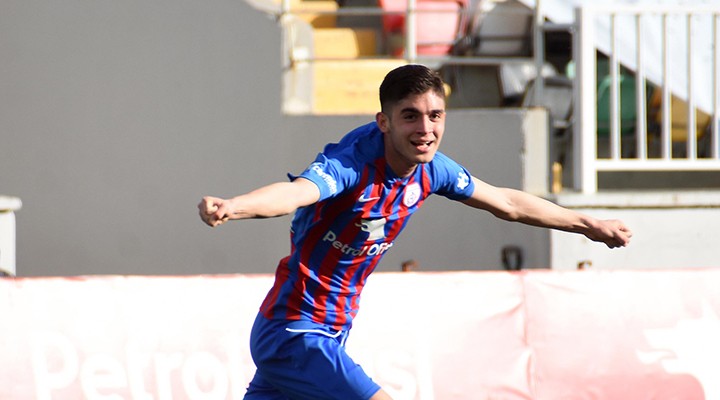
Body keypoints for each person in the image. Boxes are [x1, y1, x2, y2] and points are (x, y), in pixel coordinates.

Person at [198, 64, 632, 400]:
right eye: (410, 117)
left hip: (330, 331)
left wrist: (588, 225)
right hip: (295, 332)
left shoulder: (432, 170)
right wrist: (235, 206)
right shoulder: (350, 165)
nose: (425, 130)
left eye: (435, 116)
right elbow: (297, 194)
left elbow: (508, 203)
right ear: (384, 121)